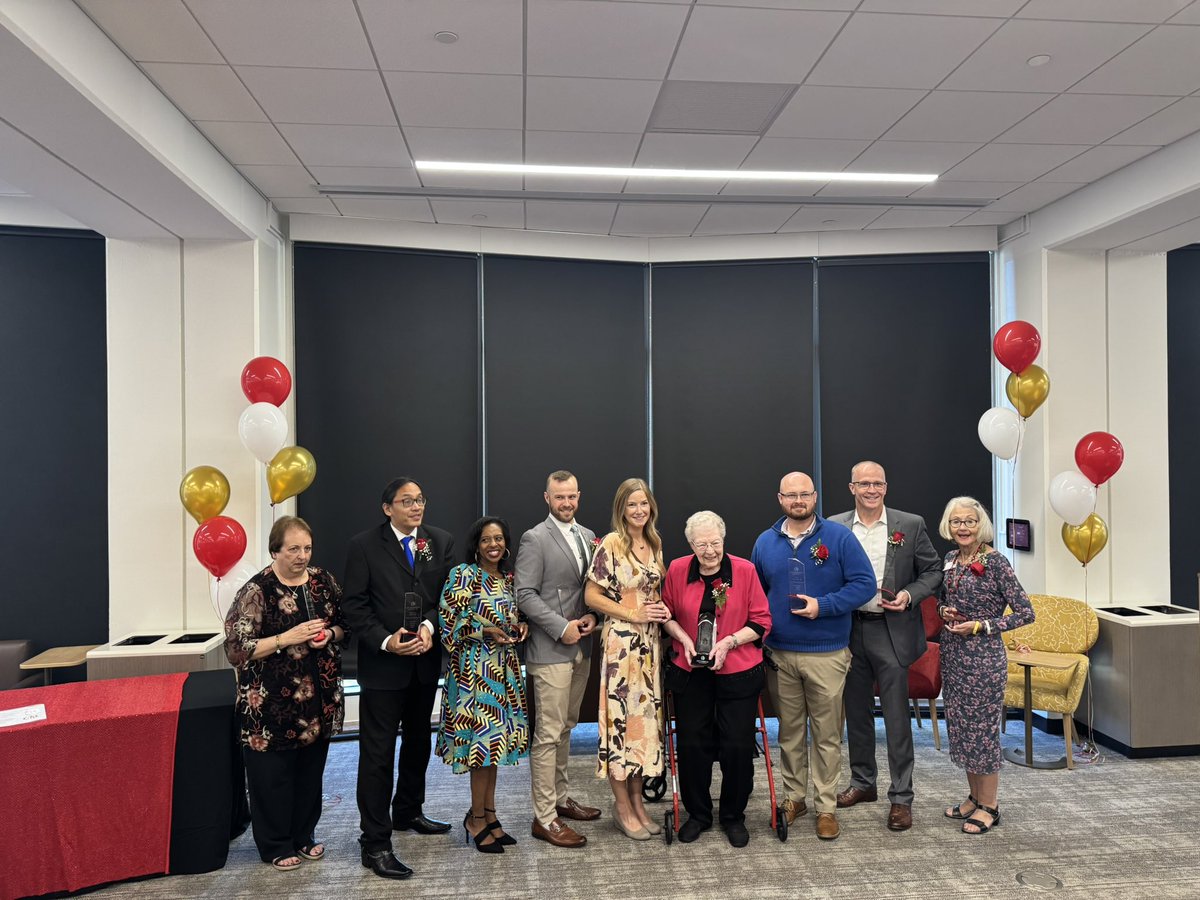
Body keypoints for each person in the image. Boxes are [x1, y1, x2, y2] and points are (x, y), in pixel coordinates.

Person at [751, 471, 875, 841]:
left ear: (815, 496)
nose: (798, 501)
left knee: (826, 734)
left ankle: (826, 806)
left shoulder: (839, 538)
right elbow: (756, 592)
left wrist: (824, 606)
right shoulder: (765, 542)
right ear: (780, 499)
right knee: (788, 732)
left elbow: (865, 585)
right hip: (781, 655)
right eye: (791, 495)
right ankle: (795, 798)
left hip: (827, 654)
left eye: (804, 494)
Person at [342, 477, 455, 880]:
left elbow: (447, 599)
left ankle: (408, 811)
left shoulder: (439, 541)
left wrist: (428, 628)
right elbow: (353, 606)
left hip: (424, 662)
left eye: (420, 500)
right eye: (407, 501)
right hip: (384, 667)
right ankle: (374, 843)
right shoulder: (364, 546)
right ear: (387, 507)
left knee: (418, 742)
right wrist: (388, 641)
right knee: (377, 755)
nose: (416, 507)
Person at [223, 516, 345, 872]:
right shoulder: (256, 591)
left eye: (307, 548)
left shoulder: (324, 582)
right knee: (273, 780)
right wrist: (284, 639)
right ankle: (275, 844)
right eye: (293, 549)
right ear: (275, 550)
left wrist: (330, 635)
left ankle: (303, 835)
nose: (302, 556)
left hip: (319, 702)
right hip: (270, 708)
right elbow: (236, 648)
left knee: (309, 776)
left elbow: (345, 624)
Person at [829, 461, 943, 832]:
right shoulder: (834, 526)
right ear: (852, 488)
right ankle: (863, 783)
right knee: (856, 713)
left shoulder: (909, 525)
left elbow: (933, 571)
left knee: (895, 717)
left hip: (891, 630)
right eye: (864, 483)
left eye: (877, 483)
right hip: (848, 630)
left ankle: (901, 797)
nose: (871, 489)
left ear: (886, 487)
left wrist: (910, 595)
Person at [661, 510, 772, 847]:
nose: (709, 551)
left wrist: (728, 642)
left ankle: (733, 816)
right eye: (701, 544)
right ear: (690, 544)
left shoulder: (744, 570)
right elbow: (665, 613)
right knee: (693, 744)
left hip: (737, 669)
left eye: (715, 543)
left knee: (737, 745)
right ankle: (698, 814)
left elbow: (761, 620)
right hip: (690, 672)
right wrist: (684, 639)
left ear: (724, 539)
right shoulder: (678, 569)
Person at [937, 496, 1035, 835]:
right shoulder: (951, 558)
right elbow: (943, 601)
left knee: (982, 733)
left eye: (970, 521)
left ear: (982, 526)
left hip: (983, 660)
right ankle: (974, 799)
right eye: (956, 522)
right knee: (963, 730)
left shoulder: (996, 562)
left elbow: (1025, 612)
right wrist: (944, 612)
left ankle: (990, 806)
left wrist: (981, 625)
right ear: (948, 526)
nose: (963, 527)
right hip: (952, 655)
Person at [515, 470, 601, 849]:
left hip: (582, 647)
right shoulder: (535, 538)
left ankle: (560, 799)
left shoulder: (587, 537)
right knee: (548, 734)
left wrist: (592, 617)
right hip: (551, 649)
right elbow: (525, 594)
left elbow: (589, 592)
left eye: (572, 497)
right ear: (546, 498)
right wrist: (560, 627)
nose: (566, 503)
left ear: (579, 496)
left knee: (566, 726)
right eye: (559, 497)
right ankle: (544, 817)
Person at [437, 516, 530, 854]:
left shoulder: (507, 580)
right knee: (481, 749)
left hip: (503, 673)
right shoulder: (464, 575)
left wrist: (520, 628)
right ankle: (475, 818)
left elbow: (514, 617)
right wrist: (485, 631)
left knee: (495, 750)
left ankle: (489, 815)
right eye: (487, 539)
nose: (494, 545)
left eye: (500, 539)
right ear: (476, 544)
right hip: (473, 675)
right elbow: (448, 622)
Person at [584, 477, 669, 841]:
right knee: (621, 724)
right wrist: (632, 614)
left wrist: (661, 609)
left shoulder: (654, 542)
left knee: (642, 725)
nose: (639, 510)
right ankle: (622, 808)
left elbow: (654, 592)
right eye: (632, 505)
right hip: (621, 645)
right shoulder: (611, 545)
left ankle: (638, 802)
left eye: (644, 504)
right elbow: (591, 596)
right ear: (622, 509)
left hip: (650, 646)